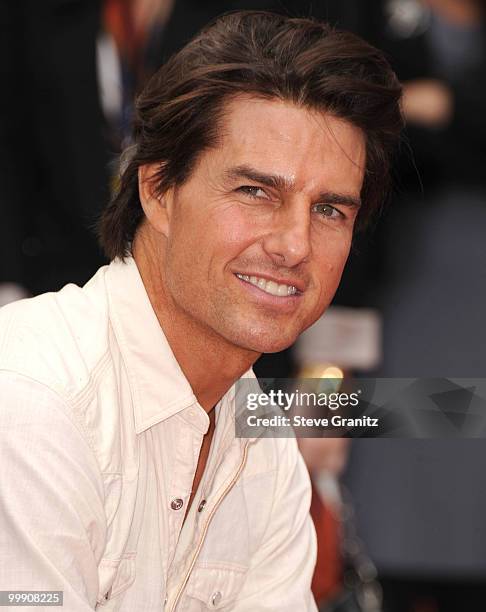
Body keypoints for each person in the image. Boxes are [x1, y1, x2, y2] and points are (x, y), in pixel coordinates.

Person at [0, 11, 402, 611]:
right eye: (255, 191)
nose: (294, 245)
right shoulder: (32, 397)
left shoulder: (263, 452)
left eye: (330, 211)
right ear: (158, 190)